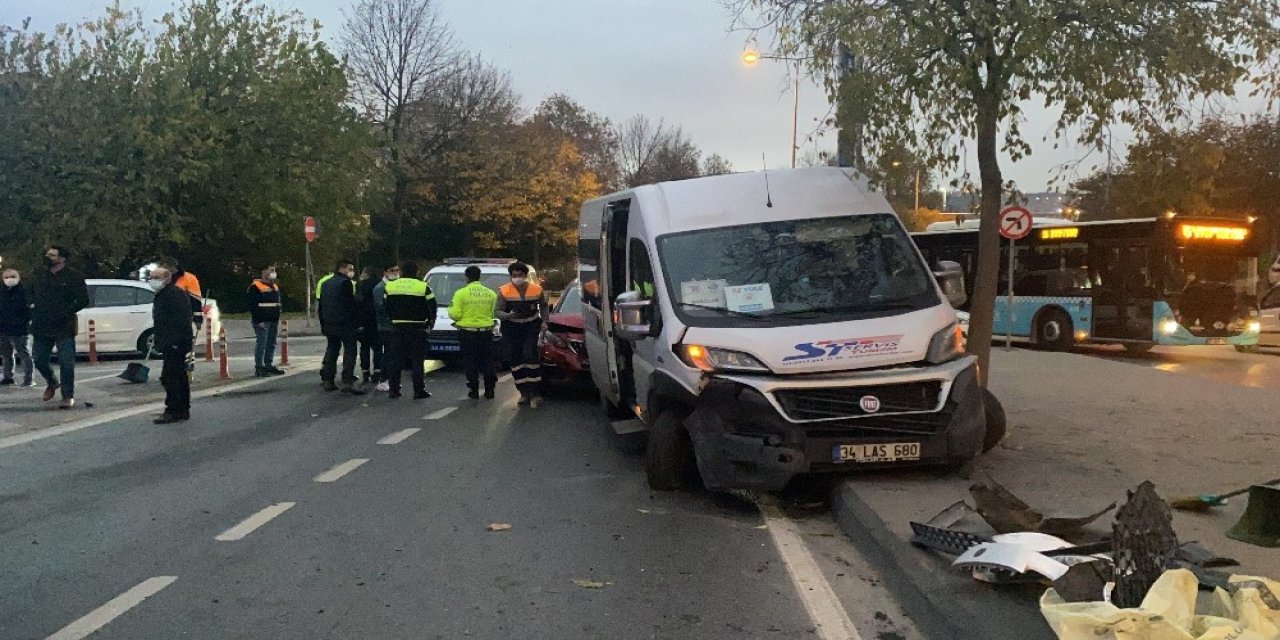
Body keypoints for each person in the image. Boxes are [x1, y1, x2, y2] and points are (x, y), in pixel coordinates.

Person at [30, 245, 89, 409]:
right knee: (39, 359)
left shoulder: (74, 276)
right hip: (42, 324)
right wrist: (32, 306)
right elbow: (31, 293)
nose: (48, 257)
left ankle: (67, 395)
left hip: (64, 325)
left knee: (66, 362)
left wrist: (66, 312)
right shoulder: (39, 274)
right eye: (47, 254)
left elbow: (83, 300)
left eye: (52, 255)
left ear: (62, 259)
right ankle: (52, 381)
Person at [496, 261, 547, 407]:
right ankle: (523, 393)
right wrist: (508, 316)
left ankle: (535, 392)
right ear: (511, 276)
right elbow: (497, 311)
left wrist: (545, 321)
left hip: (531, 325)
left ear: (525, 276)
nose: (517, 277)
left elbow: (543, 306)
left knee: (530, 355)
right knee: (516, 359)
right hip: (511, 328)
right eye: (514, 275)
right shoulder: (504, 291)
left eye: (520, 275)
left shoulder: (536, 289)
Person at [384, 261, 436, 400]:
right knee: (417, 361)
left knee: (395, 360)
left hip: (397, 327)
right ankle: (419, 390)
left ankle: (393, 390)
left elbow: (386, 306)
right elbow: (432, 307)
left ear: (401, 271)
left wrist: (392, 320)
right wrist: (430, 323)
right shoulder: (423, 287)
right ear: (417, 272)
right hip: (417, 328)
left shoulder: (390, 286)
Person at [149, 267, 194, 424]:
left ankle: (173, 409)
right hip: (170, 340)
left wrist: (176, 341)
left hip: (175, 341)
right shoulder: (163, 294)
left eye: (156, 277)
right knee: (178, 375)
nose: (153, 280)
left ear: (167, 278)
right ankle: (182, 409)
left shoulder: (173, 294)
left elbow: (181, 320)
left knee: (170, 376)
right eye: (151, 277)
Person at [449, 265, 498, 400]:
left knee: (470, 361)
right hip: (486, 332)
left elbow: (455, 315)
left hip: (468, 333)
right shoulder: (491, 293)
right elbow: (493, 312)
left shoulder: (460, 293)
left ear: (466, 277)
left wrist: (450, 310)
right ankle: (490, 390)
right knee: (487, 360)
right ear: (479, 277)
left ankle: (474, 390)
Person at [318, 259, 365, 395]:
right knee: (350, 351)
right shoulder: (345, 283)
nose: (351, 272)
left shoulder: (326, 283)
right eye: (350, 269)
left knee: (332, 350)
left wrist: (323, 324)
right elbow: (349, 305)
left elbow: (321, 306)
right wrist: (357, 323)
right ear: (342, 268)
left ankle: (328, 380)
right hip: (344, 324)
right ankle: (347, 381)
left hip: (329, 323)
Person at [247, 265, 285, 377]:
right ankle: (259, 367)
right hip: (262, 320)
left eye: (274, 270)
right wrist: (258, 320)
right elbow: (253, 306)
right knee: (262, 344)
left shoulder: (274, 286)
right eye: (271, 270)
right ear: (264, 272)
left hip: (273, 319)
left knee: (271, 343)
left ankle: (268, 364)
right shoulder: (256, 287)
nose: (274, 272)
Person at [0, 268, 34, 387]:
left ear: (18, 278)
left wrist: (23, 321)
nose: (9, 279)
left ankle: (28, 379)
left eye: (12, 276)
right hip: (3, 328)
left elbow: (30, 310)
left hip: (20, 328)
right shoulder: (2, 291)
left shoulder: (24, 291)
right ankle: (8, 377)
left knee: (24, 354)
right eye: (7, 277)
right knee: (6, 354)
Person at [371, 264, 399, 392]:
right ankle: (384, 379)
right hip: (385, 326)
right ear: (385, 272)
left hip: (393, 325)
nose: (395, 273)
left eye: (397, 270)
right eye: (392, 270)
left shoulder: (394, 285)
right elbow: (379, 307)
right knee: (388, 353)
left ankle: (390, 379)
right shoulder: (380, 287)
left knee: (392, 353)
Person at [356, 266, 383, 385]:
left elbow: (358, 303)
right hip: (376, 320)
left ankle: (365, 372)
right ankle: (377, 372)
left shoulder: (361, 285)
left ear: (366, 274)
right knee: (377, 348)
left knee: (364, 347)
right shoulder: (380, 285)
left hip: (364, 321)